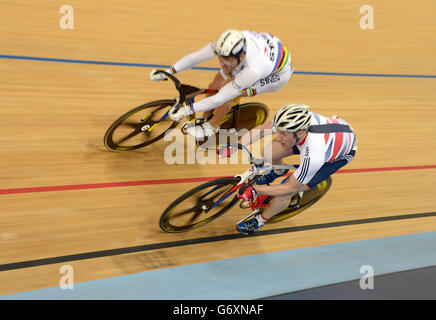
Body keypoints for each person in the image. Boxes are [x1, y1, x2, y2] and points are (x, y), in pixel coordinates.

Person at [218, 103, 357, 235]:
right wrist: (235, 145)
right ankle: (277, 171)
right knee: (269, 152)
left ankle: (259, 221)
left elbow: (290, 188)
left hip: (335, 155)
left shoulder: (315, 154)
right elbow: (261, 131)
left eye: (283, 134)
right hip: (330, 132)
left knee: (286, 191)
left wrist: (256, 189)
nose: (278, 137)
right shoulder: (294, 120)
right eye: (279, 131)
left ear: (300, 132)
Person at [149, 29, 293, 139]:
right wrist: (169, 71)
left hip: (277, 75)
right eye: (220, 58)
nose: (222, 62)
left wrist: (187, 110)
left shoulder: (253, 70)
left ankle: (213, 126)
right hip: (266, 47)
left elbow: (221, 98)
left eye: (227, 59)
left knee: (228, 94)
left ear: (241, 55)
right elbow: (196, 57)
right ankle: (204, 116)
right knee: (216, 82)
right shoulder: (225, 46)